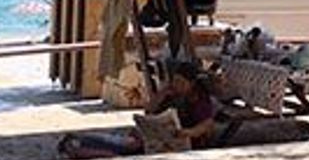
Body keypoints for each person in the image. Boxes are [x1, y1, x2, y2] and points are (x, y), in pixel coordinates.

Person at [58, 61, 218, 158]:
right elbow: (149, 110)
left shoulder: (200, 100)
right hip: (159, 137)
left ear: (192, 84)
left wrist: (188, 132)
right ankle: (80, 141)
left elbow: (207, 124)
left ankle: (77, 146)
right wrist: (162, 94)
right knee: (127, 143)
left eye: (181, 82)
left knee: (126, 148)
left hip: (181, 142)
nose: (177, 85)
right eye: (175, 81)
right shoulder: (172, 94)